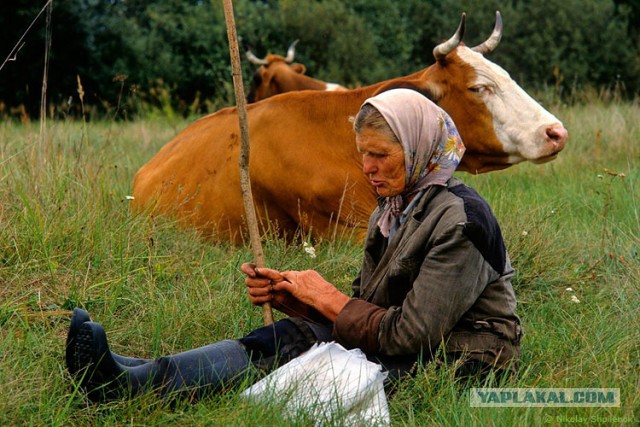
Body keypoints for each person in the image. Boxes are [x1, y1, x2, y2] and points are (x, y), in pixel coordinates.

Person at [66, 89, 522, 402]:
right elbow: (368, 308)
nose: (367, 167)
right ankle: (137, 374)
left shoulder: (462, 221)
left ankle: (135, 384)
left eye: (380, 155)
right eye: (362, 153)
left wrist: (326, 298)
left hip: (463, 361)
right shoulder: (394, 207)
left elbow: (409, 335)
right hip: (406, 342)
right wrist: (300, 304)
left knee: (309, 360)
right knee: (295, 334)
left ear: (420, 147)